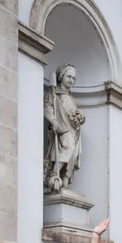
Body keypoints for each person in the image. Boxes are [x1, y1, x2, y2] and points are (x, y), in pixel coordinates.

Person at [44, 63, 85, 191]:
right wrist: (54, 122)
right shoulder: (54, 94)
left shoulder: (72, 99)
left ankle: (65, 181)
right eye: (69, 77)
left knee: (74, 153)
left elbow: (74, 114)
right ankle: (54, 173)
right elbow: (47, 109)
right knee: (69, 147)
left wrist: (80, 118)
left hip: (73, 131)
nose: (71, 80)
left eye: (73, 78)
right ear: (61, 76)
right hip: (62, 129)